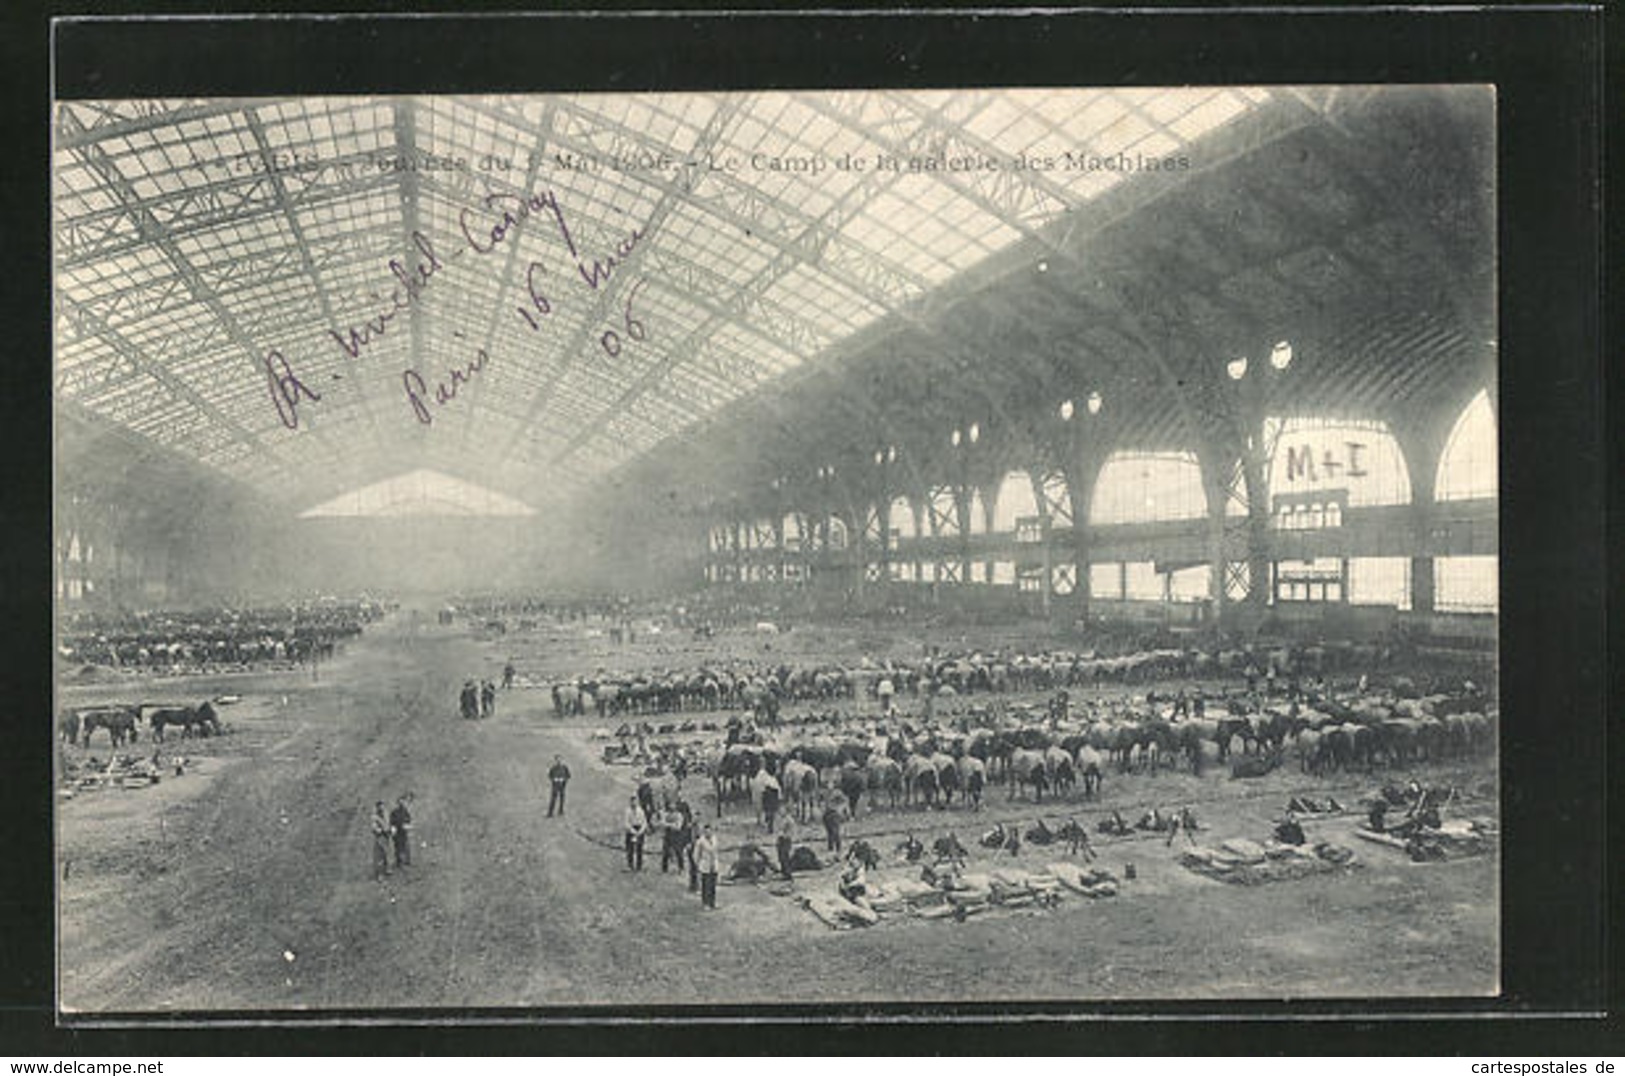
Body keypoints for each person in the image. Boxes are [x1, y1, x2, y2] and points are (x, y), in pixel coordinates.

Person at [694, 824, 720, 909]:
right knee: (706, 885)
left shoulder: (714, 839)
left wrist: (716, 863)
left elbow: (715, 851)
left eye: (709, 831)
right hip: (705, 865)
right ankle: (705, 903)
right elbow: (696, 854)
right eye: (706, 831)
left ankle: (712, 902)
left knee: (713, 885)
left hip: (714, 864)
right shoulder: (700, 841)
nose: (708, 833)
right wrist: (697, 865)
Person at [623, 795, 648, 871]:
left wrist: (640, 832)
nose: (633, 803)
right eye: (632, 801)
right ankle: (630, 865)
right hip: (631, 830)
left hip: (639, 829)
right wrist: (632, 831)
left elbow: (644, 822)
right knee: (629, 848)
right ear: (630, 802)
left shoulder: (640, 811)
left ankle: (639, 866)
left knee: (639, 848)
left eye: (635, 801)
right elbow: (626, 823)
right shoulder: (627, 811)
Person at [389, 793, 413, 869]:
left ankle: (406, 861)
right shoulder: (394, 812)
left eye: (403, 801)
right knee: (398, 847)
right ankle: (399, 862)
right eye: (400, 801)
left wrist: (407, 825)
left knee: (405, 845)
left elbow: (408, 819)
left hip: (403, 832)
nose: (402, 803)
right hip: (397, 832)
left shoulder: (405, 811)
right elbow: (392, 822)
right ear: (398, 803)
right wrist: (393, 829)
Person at [370, 801, 392, 880]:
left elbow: (389, 824)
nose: (382, 808)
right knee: (379, 856)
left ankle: (387, 869)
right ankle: (380, 874)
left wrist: (390, 829)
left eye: (383, 807)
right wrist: (381, 830)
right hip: (380, 837)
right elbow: (374, 828)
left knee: (387, 853)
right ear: (378, 808)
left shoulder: (386, 815)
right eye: (380, 807)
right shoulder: (375, 817)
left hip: (386, 836)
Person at [776, 813, 796, 880]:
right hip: (781, 839)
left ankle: (787, 874)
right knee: (780, 857)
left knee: (784, 856)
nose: (780, 811)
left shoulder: (789, 820)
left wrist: (786, 836)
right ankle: (784, 872)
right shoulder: (780, 819)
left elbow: (791, 831)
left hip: (786, 840)